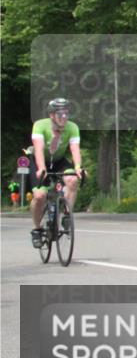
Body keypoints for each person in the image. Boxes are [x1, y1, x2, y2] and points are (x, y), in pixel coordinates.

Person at [29, 98, 85, 248]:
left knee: (72, 180)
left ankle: (67, 214)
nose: (64, 117)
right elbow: (39, 149)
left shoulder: (72, 127)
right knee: (40, 196)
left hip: (59, 160)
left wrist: (78, 167)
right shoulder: (40, 125)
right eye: (60, 114)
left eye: (67, 113)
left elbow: (74, 149)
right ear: (52, 115)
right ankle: (36, 229)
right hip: (39, 161)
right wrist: (41, 168)